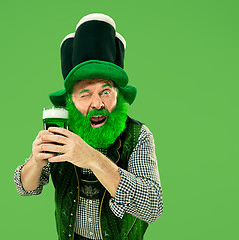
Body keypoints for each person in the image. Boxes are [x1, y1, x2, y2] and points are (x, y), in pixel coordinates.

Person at [14, 13, 163, 240]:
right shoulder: (61, 133)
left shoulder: (138, 135)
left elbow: (152, 206)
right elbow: (26, 187)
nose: (97, 103)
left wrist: (91, 158)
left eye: (106, 91)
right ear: (70, 102)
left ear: (118, 96)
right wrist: (36, 160)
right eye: (85, 94)